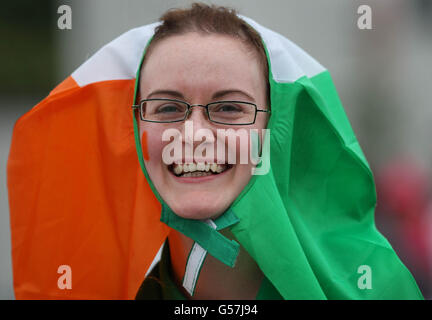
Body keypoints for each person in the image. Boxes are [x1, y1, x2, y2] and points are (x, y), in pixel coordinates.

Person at [7, 3, 424, 300]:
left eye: (228, 108)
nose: (194, 134)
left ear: (273, 131)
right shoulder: (85, 287)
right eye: (168, 108)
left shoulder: (374, 288)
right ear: (134, 131)